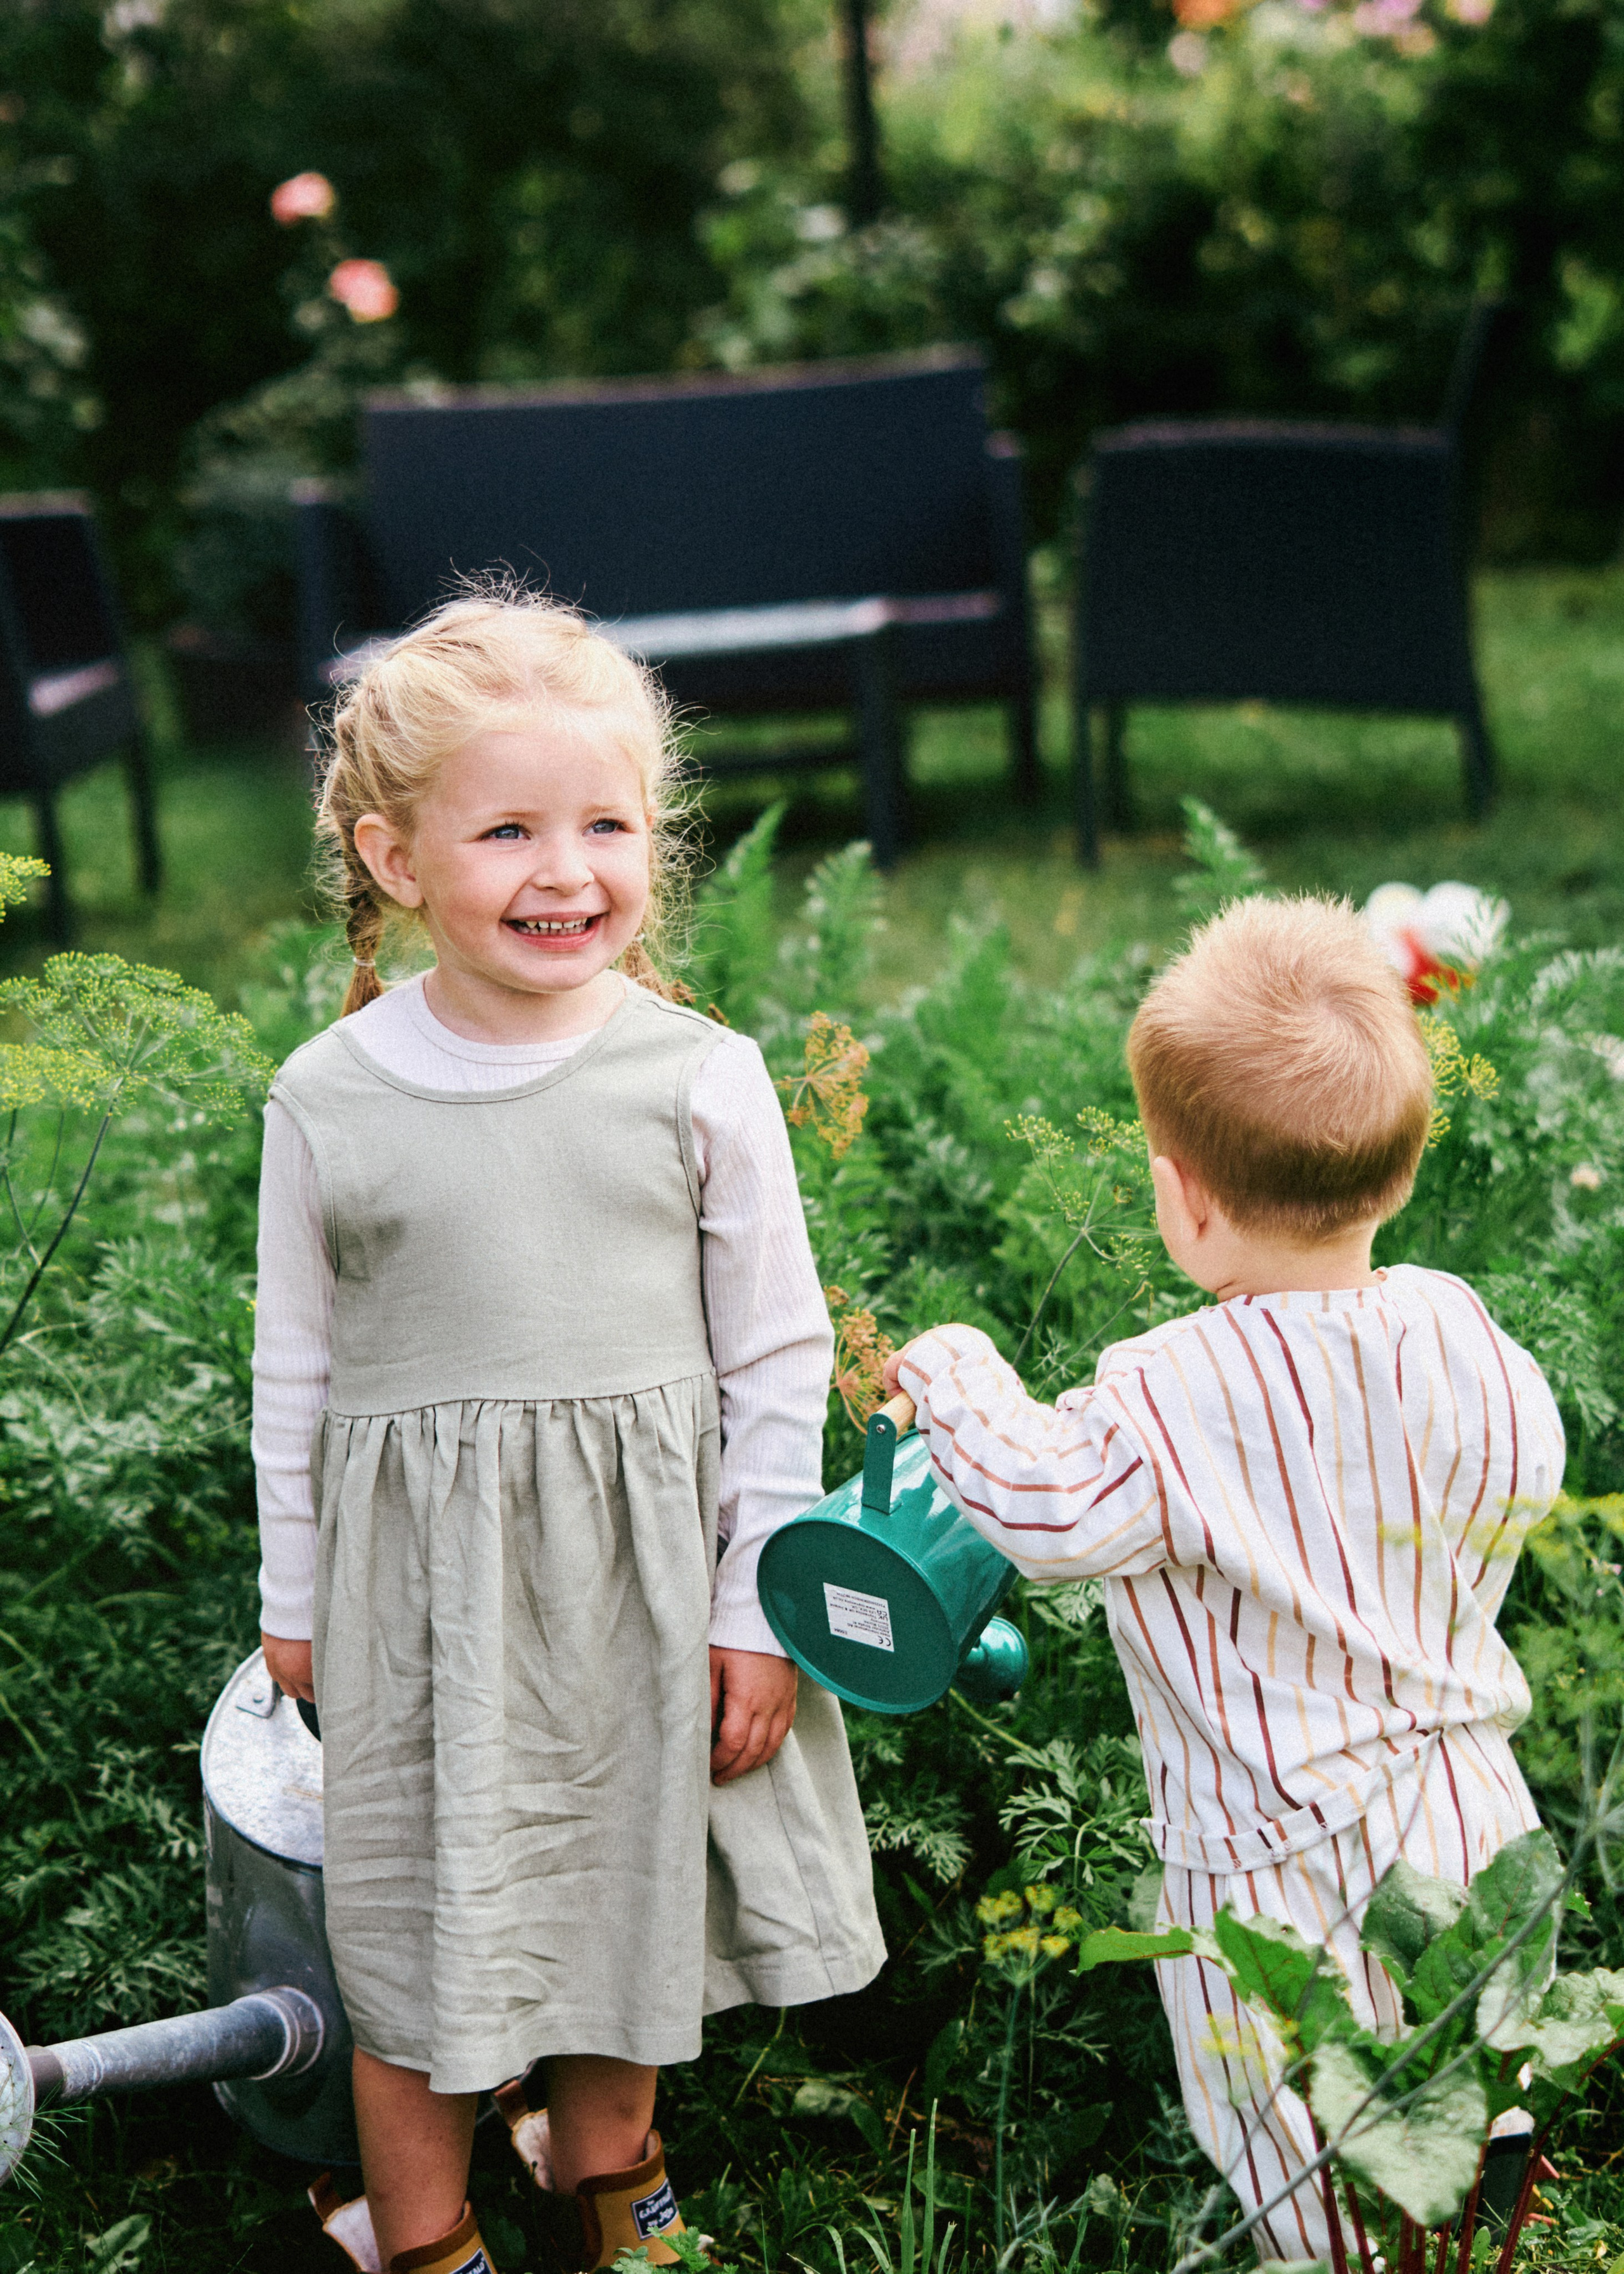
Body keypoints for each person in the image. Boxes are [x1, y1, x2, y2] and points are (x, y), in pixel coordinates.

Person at [253, 589, 884, 2274]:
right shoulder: (331, 1094)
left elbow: (775, 1355)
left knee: (626, 1892)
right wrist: (295, 1598)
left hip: (643, 1582)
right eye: (509, 829)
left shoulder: (699, 1074)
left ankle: (606, 2175)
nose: (567, 869)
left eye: (606, 823)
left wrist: (759, 1610)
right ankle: (428, 2227)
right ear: (395, 861)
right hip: (424, 1600)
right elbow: (294, 1373)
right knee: (410, 1921)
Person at [881, 894, 1563, 2268]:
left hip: (1275, 1860)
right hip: (1470, 1811)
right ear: (1400, 1170)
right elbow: (1525, 1467)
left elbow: (1045, 1510)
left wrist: (948, 1368)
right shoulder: (1458, 1326)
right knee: (1473, 2083)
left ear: (1184, 1198)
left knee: (1304, 2133)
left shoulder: (1169, 1391)